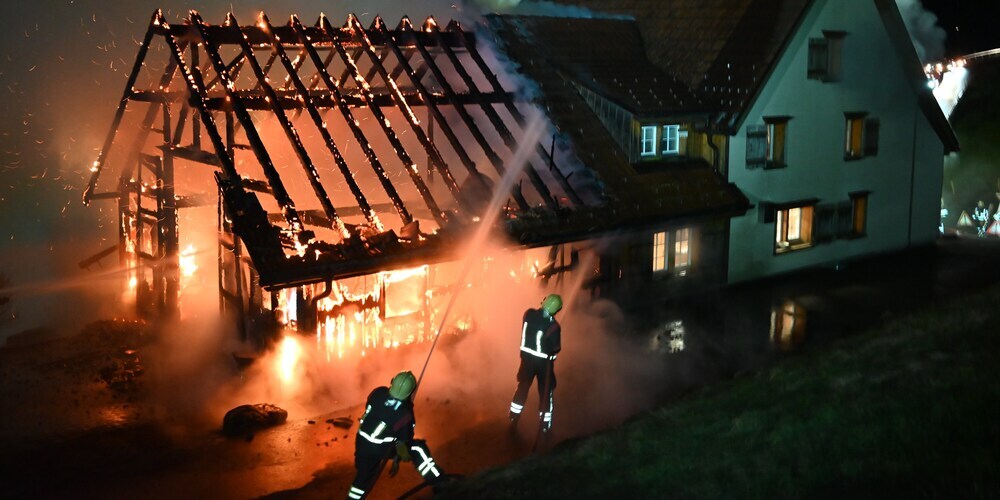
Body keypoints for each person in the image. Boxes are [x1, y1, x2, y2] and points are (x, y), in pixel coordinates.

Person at [348, 370, 444, 500]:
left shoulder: (378, 393)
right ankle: (439, 482)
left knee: (363, 477)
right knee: (417, 448)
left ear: (392, 382)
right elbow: (404, 440)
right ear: (410, 393)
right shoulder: (404, 414)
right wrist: (399, 457)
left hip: (361, 442)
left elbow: (377, 408)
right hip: (380, 449)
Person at [508, 293, 562, 433]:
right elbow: (556, 348)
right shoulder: (553, 326)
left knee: (522, 388)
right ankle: (544, 426)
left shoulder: (528, 314)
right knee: (545, 392)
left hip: (526, 360)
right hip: (544, 365)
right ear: (556, 309)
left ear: (544, 302)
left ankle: (514, 417)